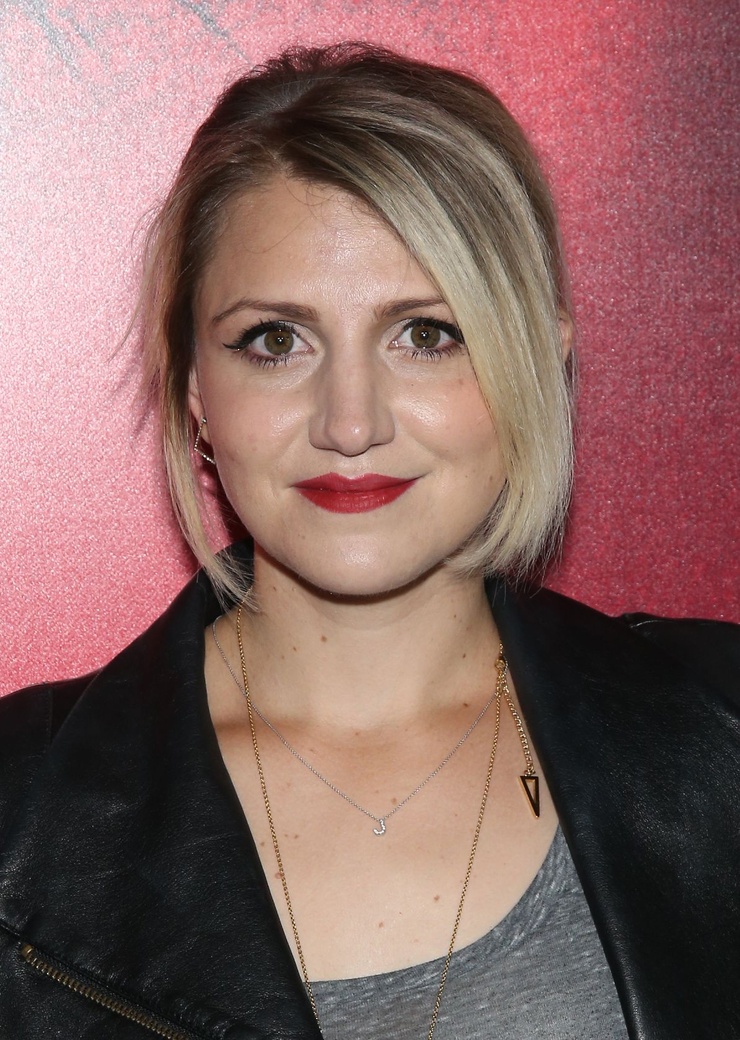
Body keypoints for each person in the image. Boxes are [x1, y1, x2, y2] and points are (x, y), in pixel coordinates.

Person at [0, 43, 737, 1040]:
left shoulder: (720, 729)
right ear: (195, 389)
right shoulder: (18, 810)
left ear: (538, 354)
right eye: (275, 340)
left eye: (425, 333)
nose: (350, 422)